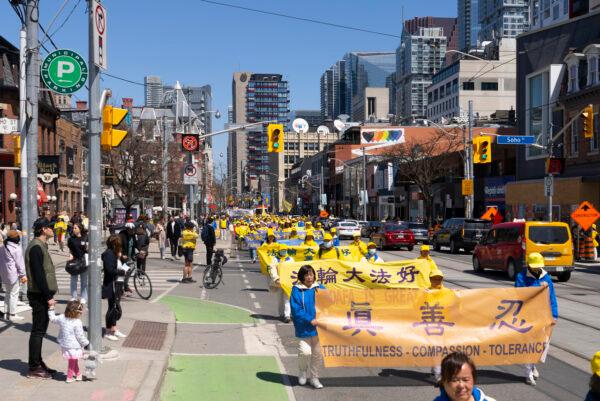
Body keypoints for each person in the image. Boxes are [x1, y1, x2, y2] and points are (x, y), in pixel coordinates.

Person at [515, 252, 558, 386]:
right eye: (534, 267)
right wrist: (537, 288)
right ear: (528, 265)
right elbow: (519, 295)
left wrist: (554, 315)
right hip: (528, 316)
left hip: (544, 315)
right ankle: (528, 372)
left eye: (538, 267)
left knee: (544, 344)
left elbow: (552, 297)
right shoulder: (521, 277)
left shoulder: (546, 277)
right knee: (530, 344)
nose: (536, 269)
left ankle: (532, 365)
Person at [25, 218, 58, 379]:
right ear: (44, 229)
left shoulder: (40, 246)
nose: (53, 229)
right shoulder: (36, 247)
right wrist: (48, 297)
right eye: (51, 227)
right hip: (39, 295)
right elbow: (39, 275)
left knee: (40, 330)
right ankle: (33, 366)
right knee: (38, 331)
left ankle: (38, 362)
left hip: (40, 294)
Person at [289, 264, 325, 389]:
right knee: (305, 352)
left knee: (317, 354)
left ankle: (314, 378)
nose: (309, 277)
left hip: (319, 328)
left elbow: (330, 301)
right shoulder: (296, 290)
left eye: (311, 274)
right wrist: (310, 320)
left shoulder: (319, 288)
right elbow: (296, 309)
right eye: (306, 275)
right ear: (301, 277)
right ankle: (302, 371)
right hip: (303, 327)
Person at [48, 300, 89, 383]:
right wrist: (86, 343)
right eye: (80, 312)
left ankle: (78, 374)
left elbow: (52, 319)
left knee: (74, 359)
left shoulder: (62, 317)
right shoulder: (77, 322)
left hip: (65, 344)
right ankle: (69, 377)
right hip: (74, 346)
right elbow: (80, 336)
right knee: (72, 361)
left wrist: (51, 308)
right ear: (77, 312)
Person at [102, 235, 128, 341]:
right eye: (118, 244)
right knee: (112, 307)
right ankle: (108, 331)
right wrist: (120, 271)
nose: (120, 246)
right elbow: (109, 270)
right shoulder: (109, 254)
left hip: (117, 283)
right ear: (114, 244)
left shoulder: (114, 253)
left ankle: (114, 328)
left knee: (114, 306)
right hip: (111, 283)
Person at [0, 230, 27, 321]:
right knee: (14, 294)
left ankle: (6, 314)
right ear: (16, 238)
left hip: (4, 274)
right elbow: (20, 264)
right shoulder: (16, 248)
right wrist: (23, 275)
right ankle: (12, 314)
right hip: (13, 274)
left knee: (8, 293)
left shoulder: (3, 247)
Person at [268, 244, 294, 323]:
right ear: (279, 250)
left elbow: (294, 269)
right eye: (282, 250)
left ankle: (287, 315)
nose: (283, 251)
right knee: (280, 299)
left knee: (287, 299)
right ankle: (281, 314)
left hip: (287, 282)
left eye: (285, 250)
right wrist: (276, 278)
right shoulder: (275, 259)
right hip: (278, 282)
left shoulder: (290, 259)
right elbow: (272, 269)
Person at [67, 223, 88, 303]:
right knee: (73, 280)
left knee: (84, 281)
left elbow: (88, 249)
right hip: (75, 261)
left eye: (75, 228)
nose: (74, 229)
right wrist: (70, 256)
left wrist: (88, 248)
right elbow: (71, 250)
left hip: (84, 261)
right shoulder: (71, 239)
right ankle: (74, 297)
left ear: (80, 229)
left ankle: (84, 297)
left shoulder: (85, 237)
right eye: (73, 228)